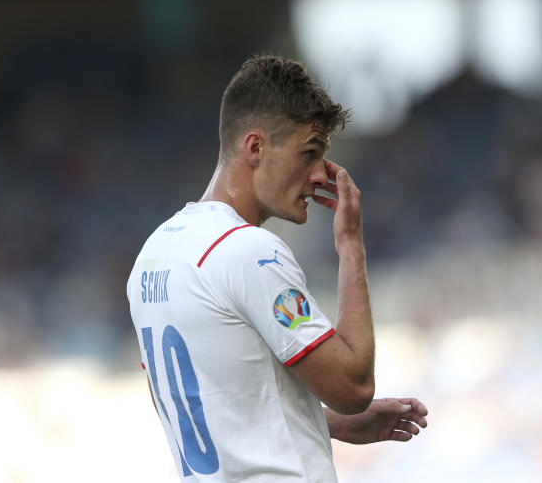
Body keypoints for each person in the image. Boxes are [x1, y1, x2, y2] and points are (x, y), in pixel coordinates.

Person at [126, 55, 428, 482]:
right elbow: (354, 387)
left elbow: (208, 403)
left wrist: (322, 422)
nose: (321, 174)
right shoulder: (248, 251)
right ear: (255, 148)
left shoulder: (153, 257)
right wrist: (350, 248)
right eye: (310, 153)